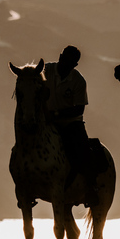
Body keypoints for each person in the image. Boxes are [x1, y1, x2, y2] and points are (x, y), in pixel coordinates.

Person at [44, 45, 98, 206]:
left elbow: (79, 108)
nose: (64, 62)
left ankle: (91, 188)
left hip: (71, 123)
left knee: (83, 151)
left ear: (74, 65)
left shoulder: (78, 80)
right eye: (63, 58)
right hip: (47, 122)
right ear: (60, 56)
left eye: (69, 61)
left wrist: (56, 114)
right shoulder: (46, 70)